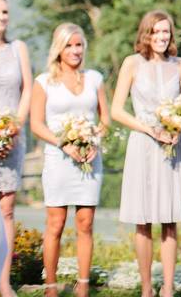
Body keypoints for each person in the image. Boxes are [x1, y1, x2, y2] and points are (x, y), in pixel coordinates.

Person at [112, 10, 181, 297]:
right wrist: (150, 129)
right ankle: (147, 288)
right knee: (143, 218)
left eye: (166, 32)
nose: (161, 37)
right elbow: (116, 110)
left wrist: (177, 127)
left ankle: (167, 289)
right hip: (143, 146)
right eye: (156, 32)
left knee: (169, 220)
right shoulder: (131, 64)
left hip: (173, 147)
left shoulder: (180, 64)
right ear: (145, 34)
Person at [30, 24, 110, 297]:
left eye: (79, 45)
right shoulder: (43, 82)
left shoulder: (95, 79)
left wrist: (94, 142)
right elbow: (36, 124)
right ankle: (50, 287)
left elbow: (105, 121)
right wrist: (64, 143)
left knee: (85, 223)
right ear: (59, 49)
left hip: (89, 160)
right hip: (58, 159)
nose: (75, 50)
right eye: (69, 45)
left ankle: (83, 286)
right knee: (55, 223)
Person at [0, 0, 33, 297]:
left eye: (4, 12)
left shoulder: (19, 48)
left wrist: (14, 127)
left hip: (12, 137)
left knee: (6, 209)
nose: (1, 18)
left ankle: (3, 283)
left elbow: (27, 88)